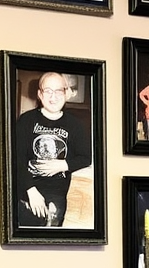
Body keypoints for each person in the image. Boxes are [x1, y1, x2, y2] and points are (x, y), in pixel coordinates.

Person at [15, 72, 92, 228]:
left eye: (58, 91)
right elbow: (16, 158)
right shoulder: (26, 120)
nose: (53, 97)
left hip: (56, 193)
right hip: (27, 189)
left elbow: (86, 157)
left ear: (66, 93)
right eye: (48, 91)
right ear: (39, 94)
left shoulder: (75, 124)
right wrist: (30, 190)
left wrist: (63, 165)